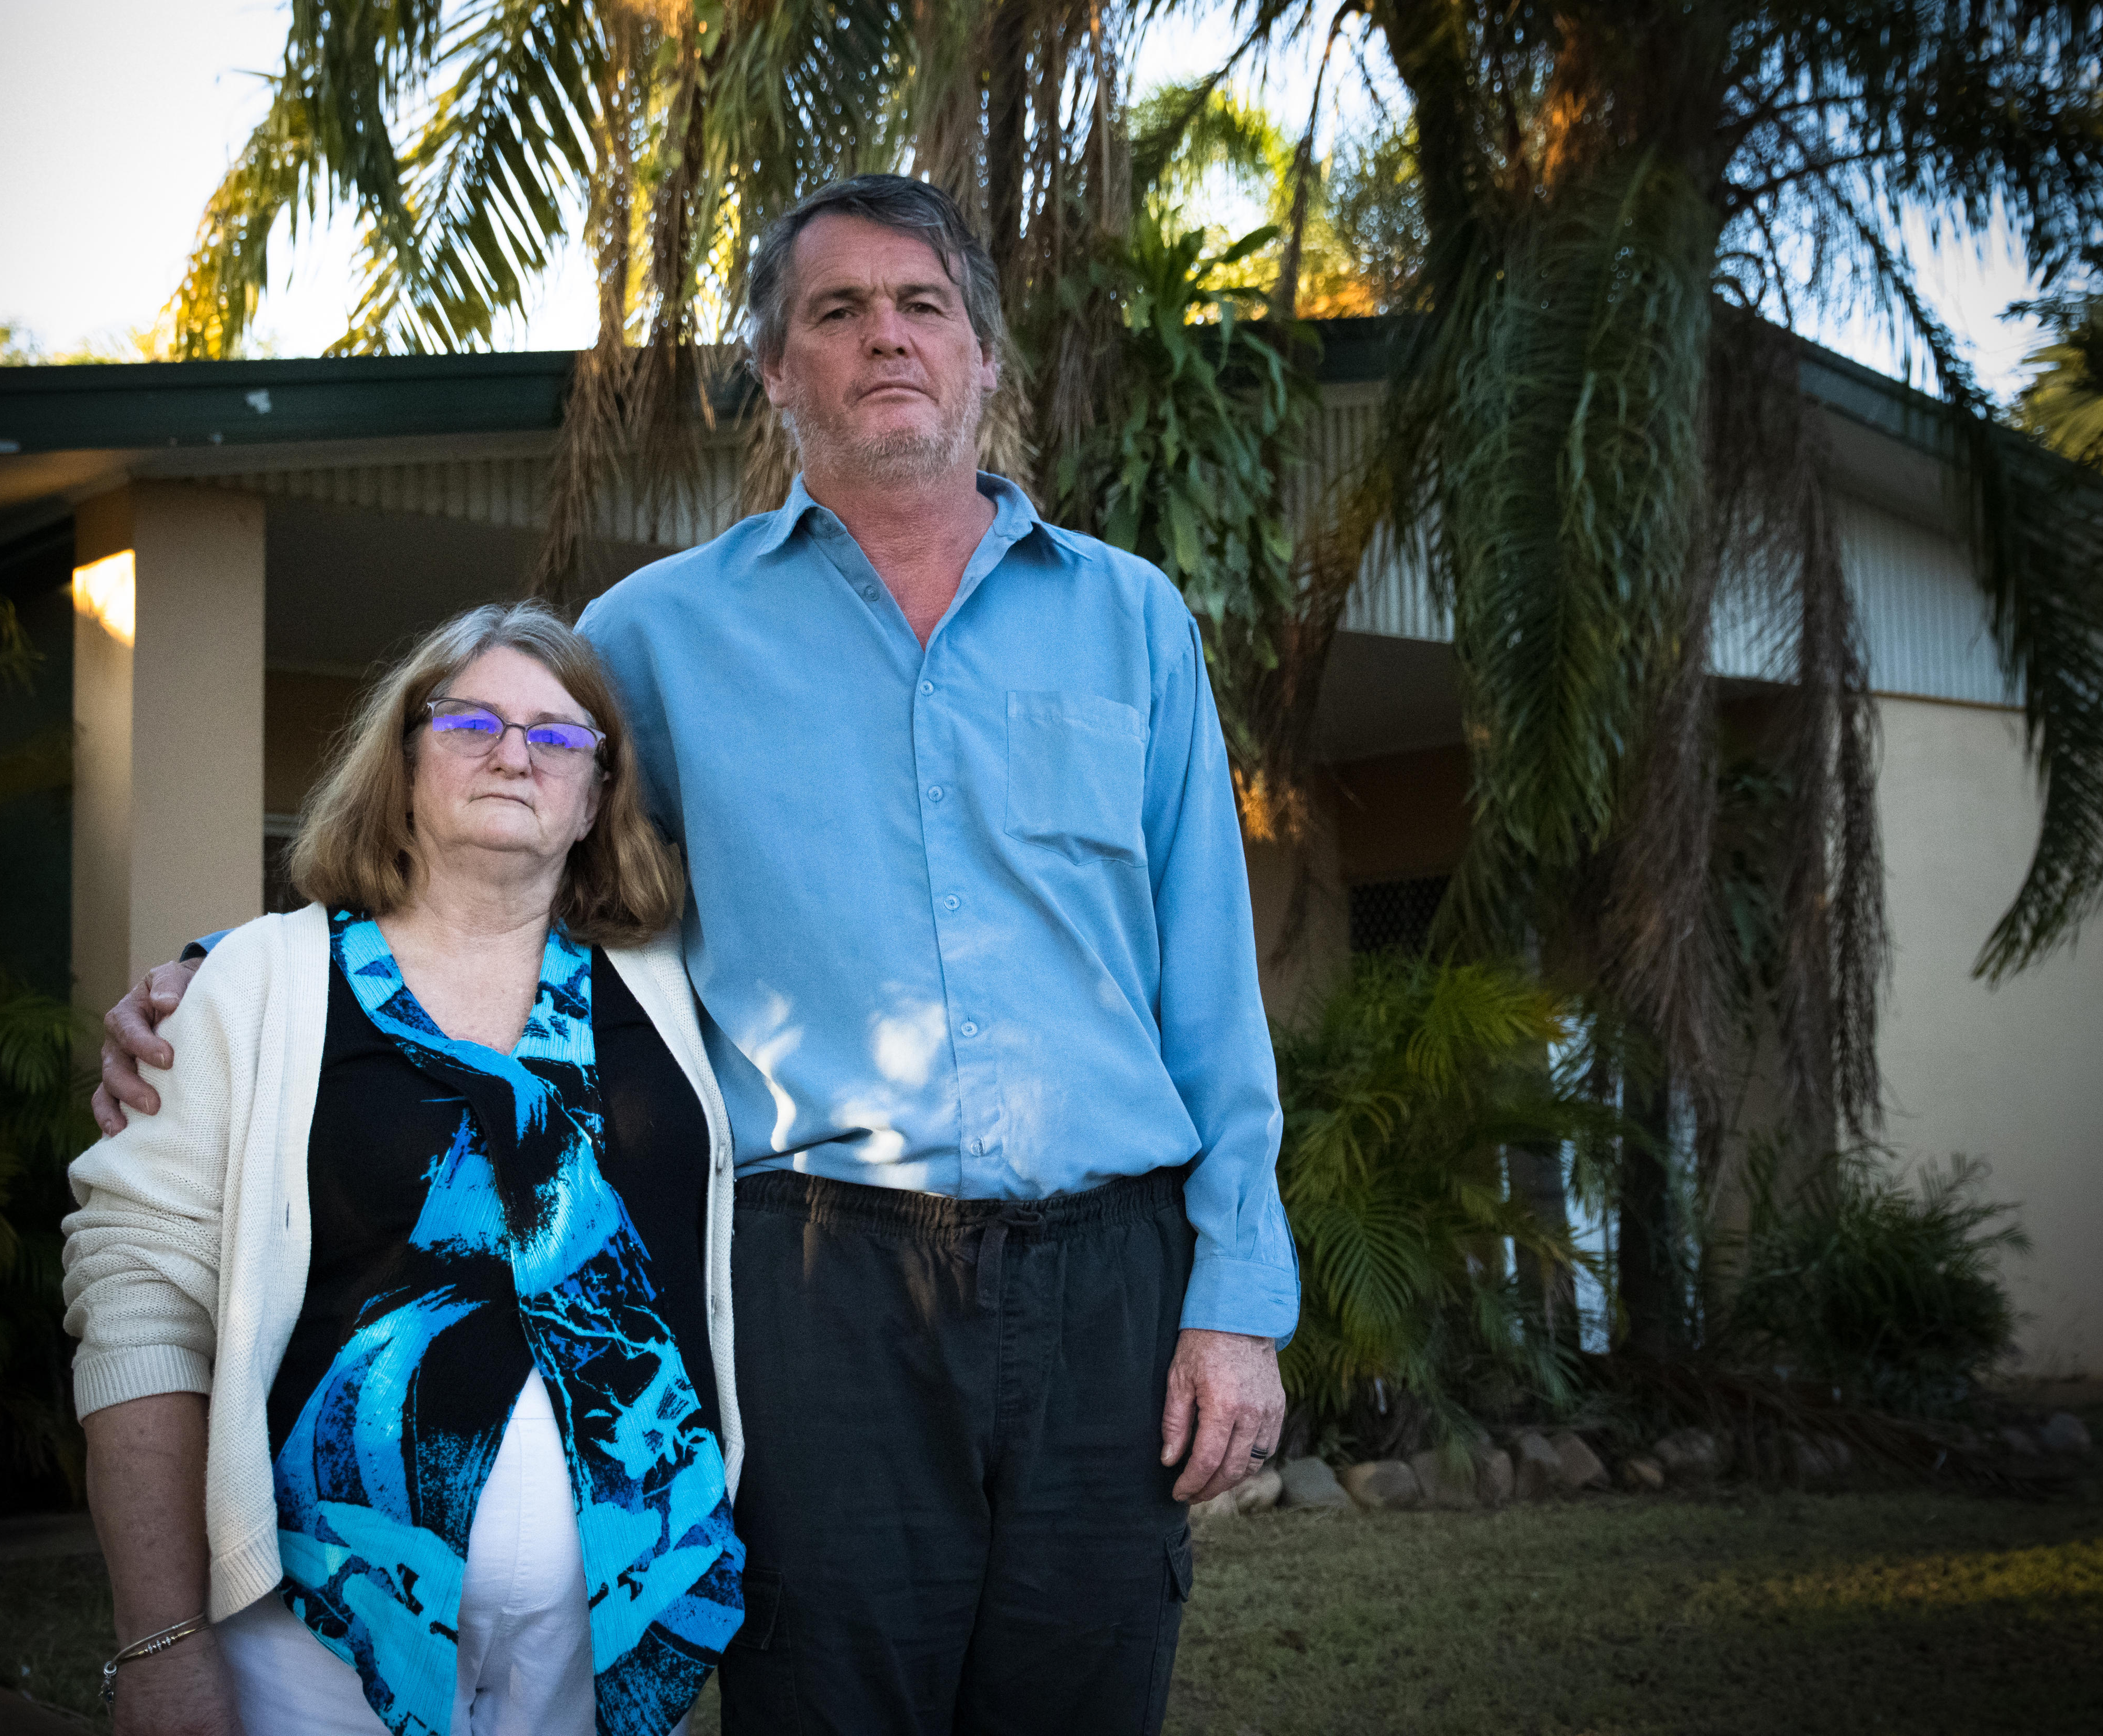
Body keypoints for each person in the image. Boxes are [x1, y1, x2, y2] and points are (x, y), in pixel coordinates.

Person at [96, 173, 1297, 1735]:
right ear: (777, 369)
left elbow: (1211, 988)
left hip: (1112, 1283)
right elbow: (500, 849)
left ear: (984, 360)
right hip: (818, 1282)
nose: (887, 338)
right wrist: (239, 978)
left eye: (924, 306)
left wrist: (1236, 1301)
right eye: (837, 311)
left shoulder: (1132, 621)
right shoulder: (655, 636)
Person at [65, 603, 743, 1736]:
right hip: (313, 1637)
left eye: (558, 734)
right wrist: (160, 1639)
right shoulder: (254, 990)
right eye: (468, 717)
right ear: (403, 759)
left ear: (597, 795)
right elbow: (137, 1302)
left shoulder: (674, 991)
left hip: (614, 1639)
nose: (514, 750)